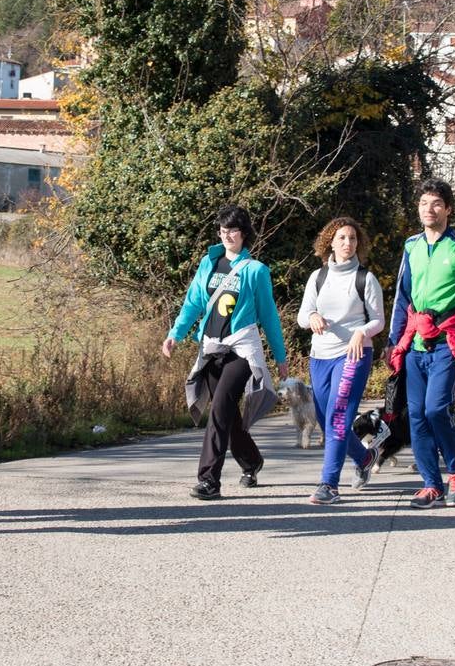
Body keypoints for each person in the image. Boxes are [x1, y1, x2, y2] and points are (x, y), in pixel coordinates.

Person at [163, 205, 288, 501]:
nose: (227, 234)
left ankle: (209, 481)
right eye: (222, 229)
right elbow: (193, 301)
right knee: (228, 417)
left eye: (232, 229)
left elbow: (269, 316)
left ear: (244, 233)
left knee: (219, 409)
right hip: (211, 348)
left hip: (241, 350)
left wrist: (280, 357)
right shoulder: (209, 264)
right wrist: (175, 334)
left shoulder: (255, 271)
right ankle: (252, 461)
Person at [387, 179, 455, 509]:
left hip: (449, 340)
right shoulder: (411, 245)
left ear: (448, 209)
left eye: (436, 204)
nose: (428, 209)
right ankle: (431, 484)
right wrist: (394, 341)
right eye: (423, 203)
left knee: (435, 409)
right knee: (415, 414)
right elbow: (402, 295)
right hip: (416, 342)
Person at [296, 217, 386, 504]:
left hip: (353, 355)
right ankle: (365, 457)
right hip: (320, 356)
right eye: (342, 238)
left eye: (353, 239)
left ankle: (329, 485)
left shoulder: (365, 278)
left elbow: (378, 321)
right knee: (326, 420)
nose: (348, 243)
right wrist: (311, 317)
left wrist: (361, 332)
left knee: (337, 418)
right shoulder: (318, 277)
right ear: (330, 242)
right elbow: (302, 316)